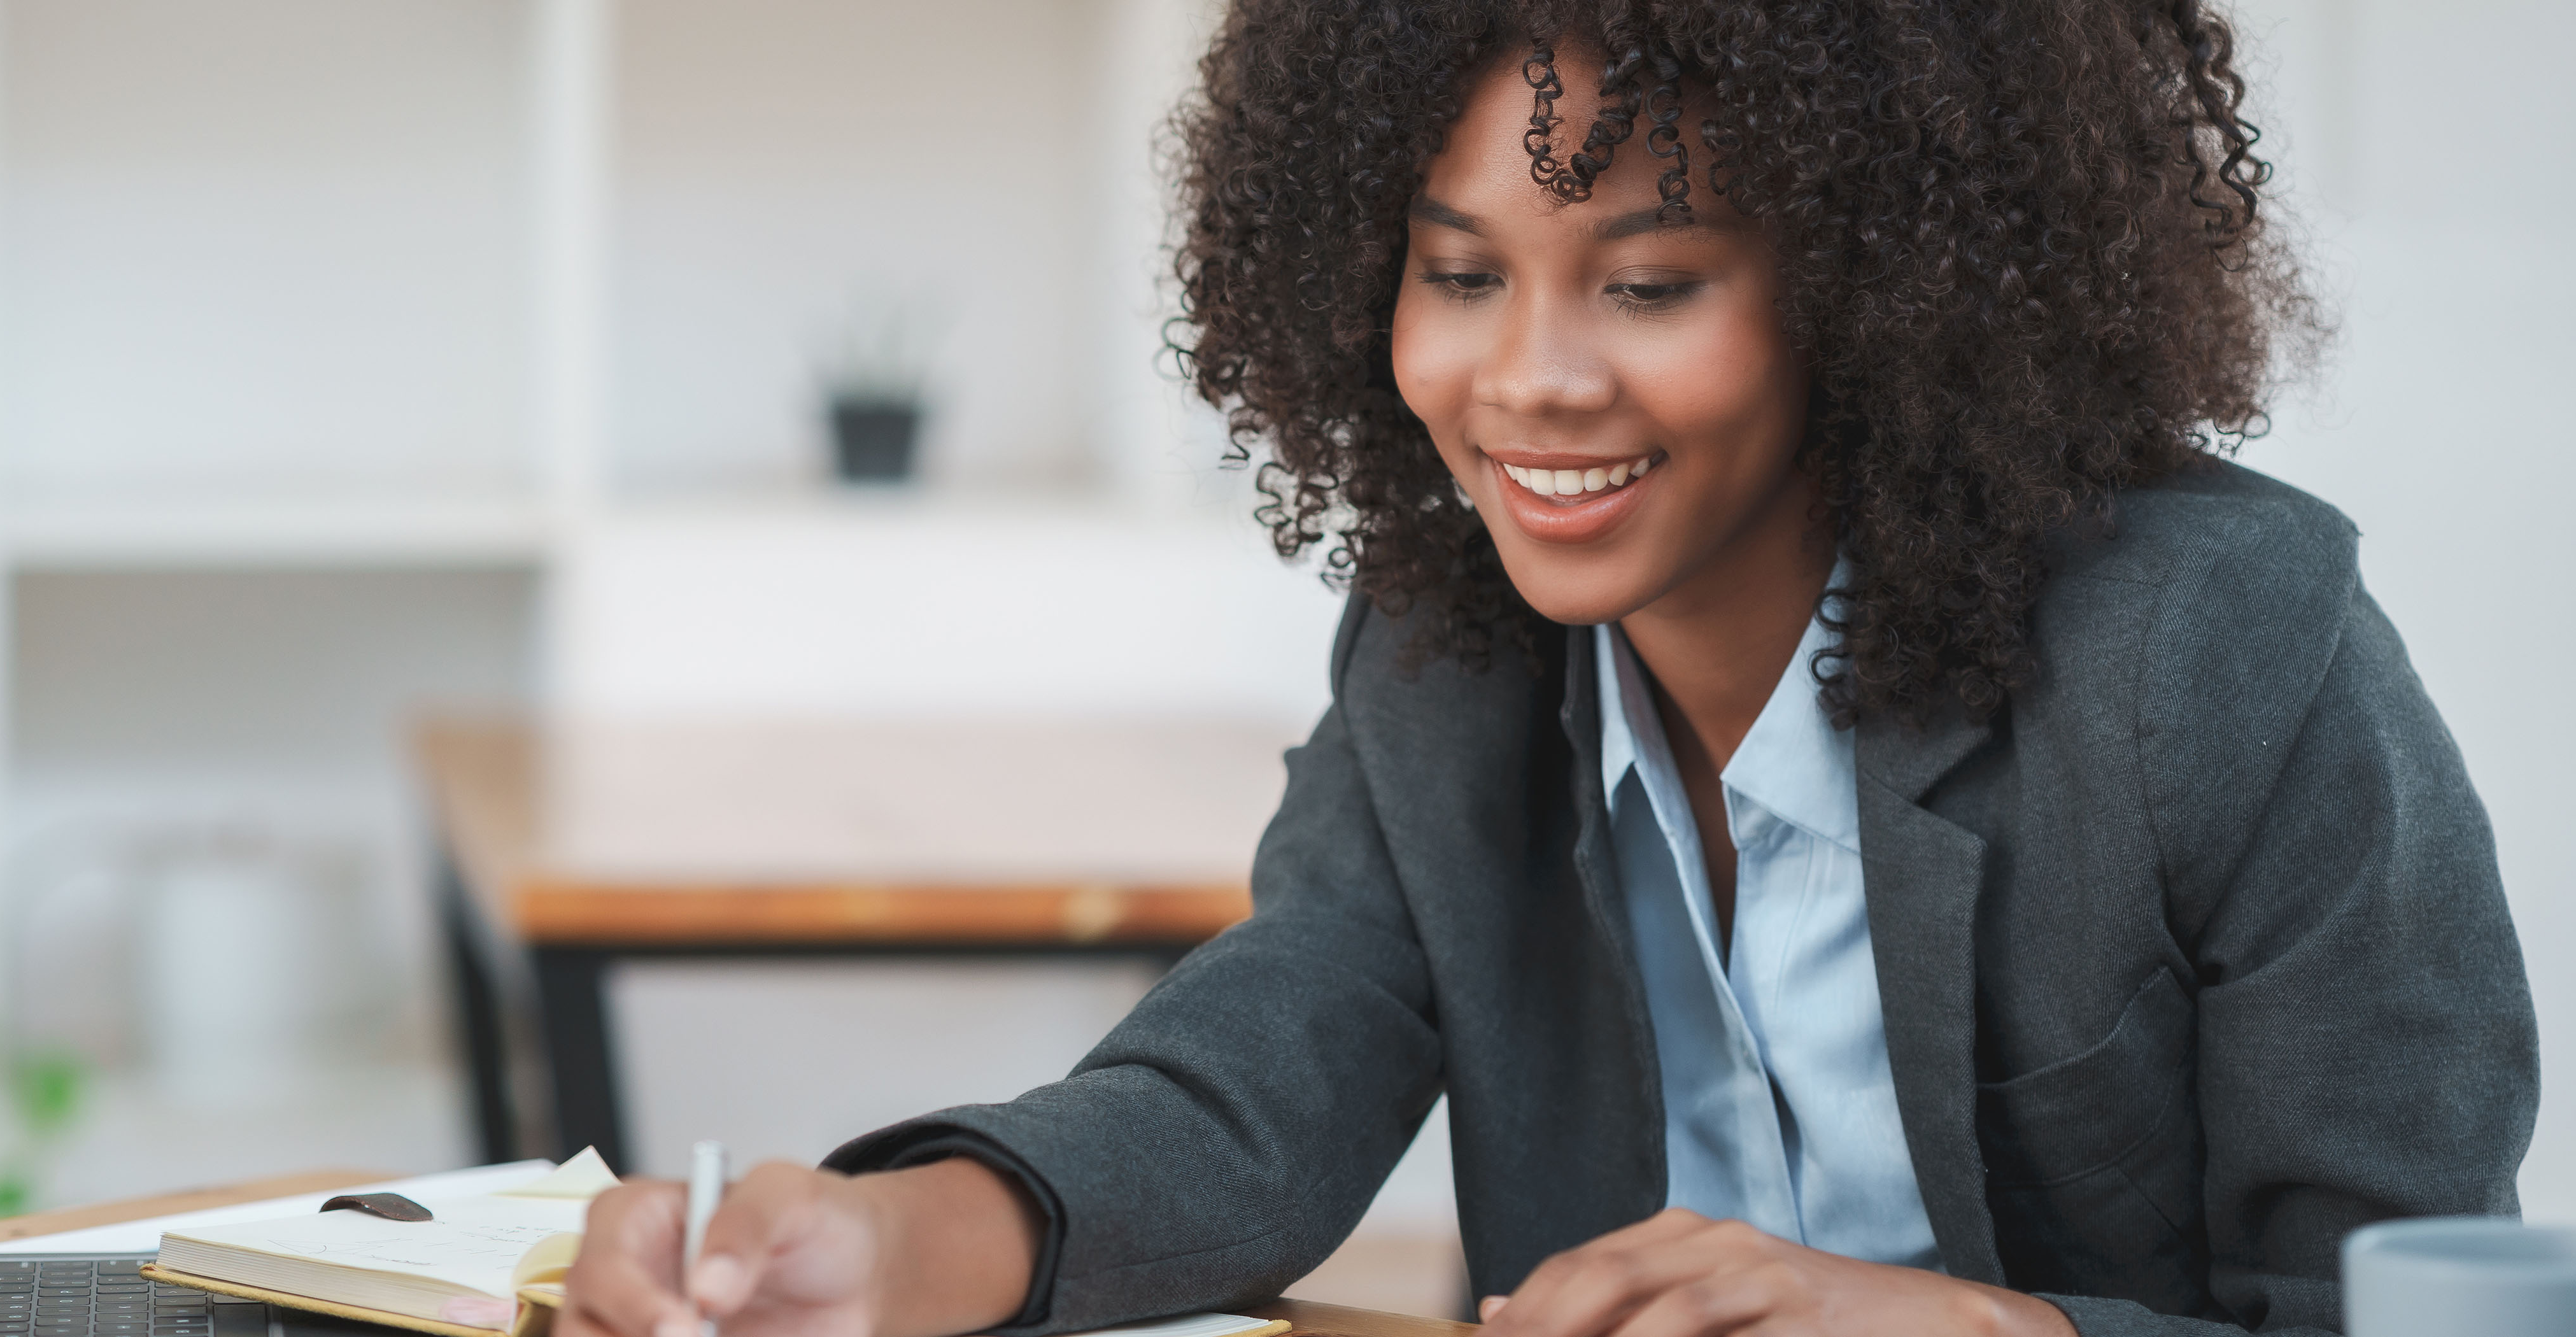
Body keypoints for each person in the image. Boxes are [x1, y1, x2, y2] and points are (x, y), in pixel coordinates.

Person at [558, 1, 2537, 1334]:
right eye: (1459, 271)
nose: (1531, 381)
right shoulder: (1452, 655)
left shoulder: (2221, 656)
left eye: (1652, 284)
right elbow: (1256, 1079)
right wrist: (891, 1242)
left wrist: (1983, 1328)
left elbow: (2415, 1303)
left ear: (1873, 292)